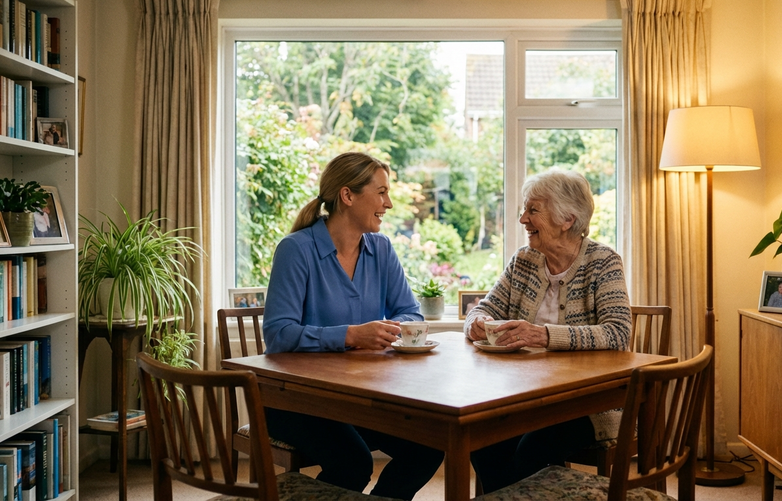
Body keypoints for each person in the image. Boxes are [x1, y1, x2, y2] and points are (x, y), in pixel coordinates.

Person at [262, 152, 443, 499]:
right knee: (353, 462)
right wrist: (351, 335)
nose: (388, 203)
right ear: (347, 196)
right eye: (381, 192)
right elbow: (278, 333)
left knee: (429, 445)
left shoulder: (382, 249)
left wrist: (388, 329)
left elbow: (411, 314)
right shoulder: (296, 250)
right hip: (296, 400)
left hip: (360, 398)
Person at [462, 169, 632, 493]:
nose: (523, 219)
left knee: (530, 451)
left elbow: (618, 332)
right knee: (481, 440)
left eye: (533, 210)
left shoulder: (603, 262)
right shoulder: (523, 260)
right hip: (521, 396)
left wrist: (543, 335)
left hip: (587, 403)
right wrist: (477, 323)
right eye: (524, 210)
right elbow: (485, 307)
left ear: (567, 218)